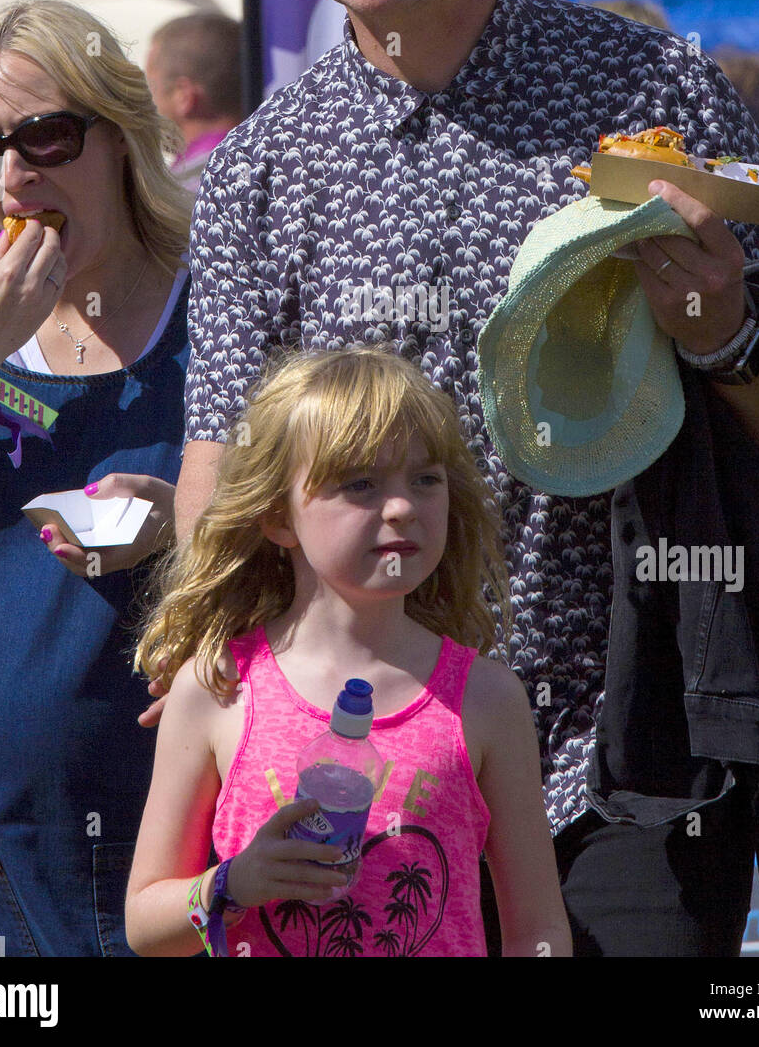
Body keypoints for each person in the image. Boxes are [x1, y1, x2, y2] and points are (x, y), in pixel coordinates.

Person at [175, 0, 759, 956]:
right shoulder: (260, 170)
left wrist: (718, 331)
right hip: (371, 769)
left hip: (627, 748)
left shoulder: (648, 96)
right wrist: (206, 679)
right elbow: (218, 460)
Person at [0, 0, 193, 956]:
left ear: (122, 140)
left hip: (182, 833)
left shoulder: (218, 298)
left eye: (47, 136)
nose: (14, 176)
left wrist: (194, 519)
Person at [126, 345, 571, 957]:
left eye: (426, 479)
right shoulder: (218, 687)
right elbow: (145, 925)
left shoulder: (487, 698)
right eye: (360, 483)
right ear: (279, 516)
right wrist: (233, 884)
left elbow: (538, 930)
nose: (402, 507)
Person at [145, 12, 244, 191]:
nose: (145, 99)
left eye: (151, 86)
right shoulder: (281, 163)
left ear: (184, 96)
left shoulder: (182, 194)